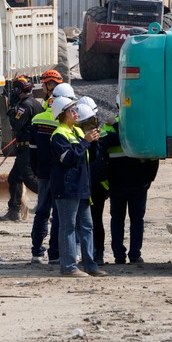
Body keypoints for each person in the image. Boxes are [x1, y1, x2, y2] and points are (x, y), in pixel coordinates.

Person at [49, 95, 106, 278]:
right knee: (68, 228)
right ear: (62, 114)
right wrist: (85, 142)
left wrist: (94, 143)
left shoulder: (78, 132)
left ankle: (90, 265)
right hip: (67, 189)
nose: (76, 113)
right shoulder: (59, 135)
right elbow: (68, 159)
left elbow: (90, 158)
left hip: (81, 187)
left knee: (87, 227)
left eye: (75, 110)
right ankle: (68, 267)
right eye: (71, 110)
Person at [28, 80, 77, 264]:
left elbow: (32, 150)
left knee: (41, 212)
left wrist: (36, 171)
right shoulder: (66, 124)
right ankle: (54, 254)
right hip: (61, 175)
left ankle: (36, 252)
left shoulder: (37, 119)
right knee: (58, 214)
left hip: (42, 174)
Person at [106, 115, 159, 265]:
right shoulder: (141, 125)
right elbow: (153, 156)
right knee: (134, 220)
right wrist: (149, 178)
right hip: (134, 183)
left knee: (119, 220)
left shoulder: (110, 125)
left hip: (121, 183)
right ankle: (132, 255)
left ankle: (122, 255)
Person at [0, 76, 42, 222]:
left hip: (26, 148)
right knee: (14, 178)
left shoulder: (24, 106)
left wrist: (11, 110)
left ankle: (50, 197)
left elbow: (16, 124)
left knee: (28, 179)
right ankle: (14, 210)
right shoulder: (35, 103)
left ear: (18, 90)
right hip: (30, 147)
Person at [77, 98, 109, 264]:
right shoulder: (80, 135)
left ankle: (97, 254)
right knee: (89, 221)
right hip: (88, 183)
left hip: (94, 184)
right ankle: (92, 254)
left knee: (92, 221)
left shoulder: (97, 135)